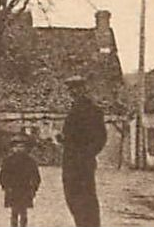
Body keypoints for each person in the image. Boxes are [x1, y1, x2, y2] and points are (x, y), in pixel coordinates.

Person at [60, 75, 107, 227]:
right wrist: (63, 139)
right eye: (71, 90)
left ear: (83, 89)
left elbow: (100, 137)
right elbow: (73, 137)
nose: (73, 92)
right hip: (70, 160)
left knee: (85, 198)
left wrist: (86, 154)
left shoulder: (92, 111)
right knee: (73, 197)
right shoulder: (73, 110)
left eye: (76, 88)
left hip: (82, 162)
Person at [0, 132, 42, 227]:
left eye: (22, 146)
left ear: (26, 148)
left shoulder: (30, 161)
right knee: (14, 212)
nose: (19, 149)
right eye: (16, 146)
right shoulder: (8, 161)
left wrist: (33, 188)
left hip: (25, 189)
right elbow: (3, 176)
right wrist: (5, 186)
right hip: (12, 189)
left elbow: (36, 176)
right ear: (12, 148)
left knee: (23, 212)